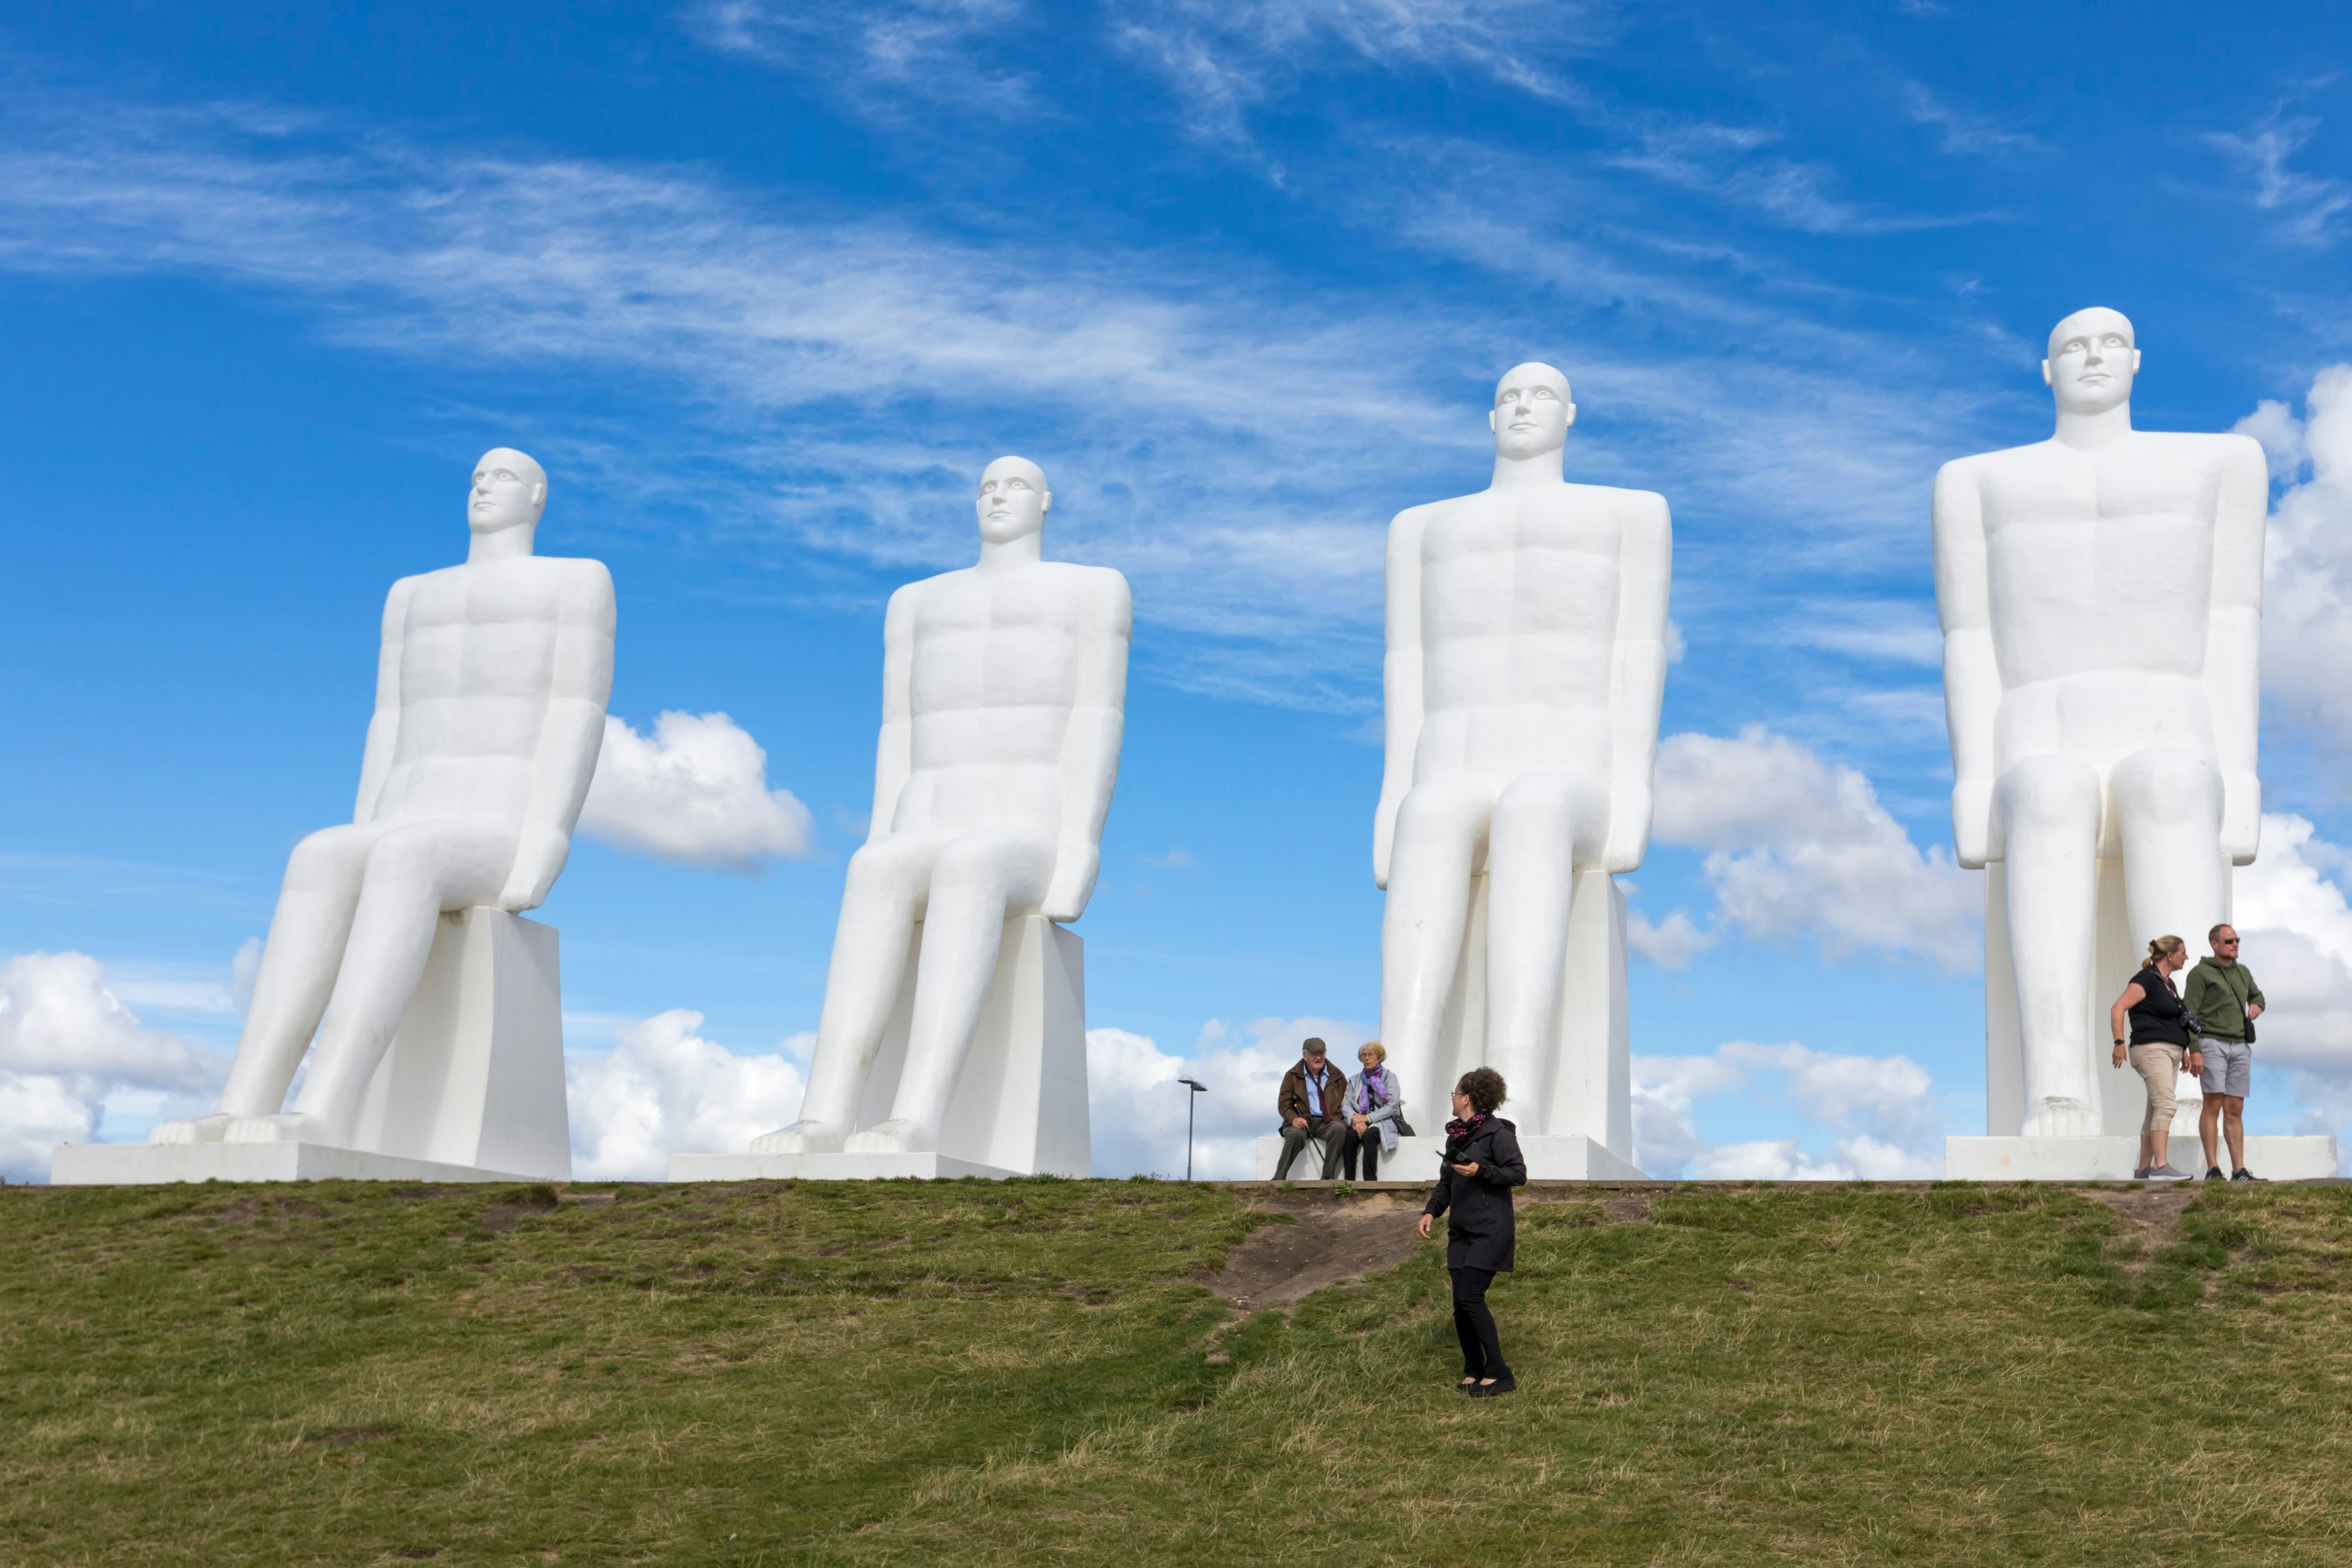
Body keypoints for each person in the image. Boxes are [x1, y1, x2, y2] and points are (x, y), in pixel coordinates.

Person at [151, 449, 616, 1150]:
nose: (485, 484)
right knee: (320, 853)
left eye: (505, 477)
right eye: (477, 476)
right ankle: (240, 1101)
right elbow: (388, 720)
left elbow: (578, 708)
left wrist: (548, 837)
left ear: (539, 497)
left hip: (494, 824)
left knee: (407, 855)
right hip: (405, 810)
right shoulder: (410, 595)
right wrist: (361, 825)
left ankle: (330, 1106)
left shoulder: (576, 582)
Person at [1935, 308, 2265, 1136]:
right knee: (2048, 792)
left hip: (2171, 712)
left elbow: (2233, 619)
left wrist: (2245, 769)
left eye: (2109, 343)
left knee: (2171, 785)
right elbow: (1967, 636)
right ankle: (2056, 1082)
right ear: (2047, 370)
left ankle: (2188, 1066)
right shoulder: (1977, 480)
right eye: (2072, 347)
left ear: (2137, 361)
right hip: (2039, 719)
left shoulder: (2218, 463)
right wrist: (1975, 780)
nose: (2091, 357)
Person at [752, 457, 1131, 1157]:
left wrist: (1081, 845)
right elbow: (895, 729)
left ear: (1045, 502)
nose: (996, 495)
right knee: (877, 868)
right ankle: (824, 1113)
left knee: (971, 864)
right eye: (986, 485)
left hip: (1027, 821)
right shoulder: (917, 601)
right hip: (928, 809)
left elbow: (1097, 715)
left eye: (1014, 485)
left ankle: (919, 1112)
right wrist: (878, 829)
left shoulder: (1092, 590)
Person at [1376, 363, 1671, 1130]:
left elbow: (1638, 652)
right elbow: (1404, 666)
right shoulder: (1420, 528)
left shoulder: (1628, 515)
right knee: (1433, 813)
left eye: (1540, 395)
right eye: (1509, 395)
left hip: (1571, 765)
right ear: (1488, 415)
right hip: (1455, 757)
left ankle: (1513, 1090)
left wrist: (1633, 791)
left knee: (1533, 808)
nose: (1522, 406)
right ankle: (1391, 1093)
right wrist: (1390, 800)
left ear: (1570, 414)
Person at [1416, 1066, 1527, 1396]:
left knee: (1470, 1297)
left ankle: (1499, 1373)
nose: (1452, 1097)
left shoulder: (1499, 1134)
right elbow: (1446, 1183)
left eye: (1455, 1093)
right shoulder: (1456, 1137)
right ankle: (1474, 1370)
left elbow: (1518, 1174)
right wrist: (1431, 1212)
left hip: (1491, 1230)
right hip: (1461, 1232)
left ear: (1466, 1098)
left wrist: (1482, 1170)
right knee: (1459, 1303)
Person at [2110, 936, 2202, 1180]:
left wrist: (2183, 1050)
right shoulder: (2146, 980)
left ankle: (2143, 1170)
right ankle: (2161, 1167)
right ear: (2170, 955)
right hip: (2152, 1049)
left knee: (2154, 1110)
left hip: (2169, 1050)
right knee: (2166, 1106)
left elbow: (2172, 1019)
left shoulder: (2167, 984)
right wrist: (2119, 1042)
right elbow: (2118, 1008)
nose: (2186, 957)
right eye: (2183, 952)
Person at [2185, 923, 2267, 1181]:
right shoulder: (2200, 973)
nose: (2235, 945)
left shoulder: (2243, 972)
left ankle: (2239, 1171)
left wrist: (2257, 1006)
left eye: (2237, 940)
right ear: (2215, 944)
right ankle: (2213, 1169)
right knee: (2212, 1105)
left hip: (2241, 1045)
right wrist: (2195, 1050)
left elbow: (2259, 996)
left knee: (2235, 1108)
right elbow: (2189, 1014)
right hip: (2212, 1043)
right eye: (2230, 941)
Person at [1273, 1038, 1347, 1180]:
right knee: (1295, 1135)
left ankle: (1327, 1178)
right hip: (1302, 1122)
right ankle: (1278, 1179)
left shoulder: (1337, 1075)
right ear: (1305, 1056)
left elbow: (1347, 1101)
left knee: (1339, 1129)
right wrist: (1294, 1119)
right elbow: (1284, 1105)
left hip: (1328, 1122)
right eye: (1314, 1054)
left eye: (1322, 1053)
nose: (1318, 1058)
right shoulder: (1292, 1076)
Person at [1341, 1040, 1406, 1181]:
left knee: (1369, 1136)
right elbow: (1346, 1104)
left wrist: (1368, 1119)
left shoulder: (1389, 1078)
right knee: (1350, 1137)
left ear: (1379, 1057)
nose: (1367, 1058)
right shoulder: (1355, 1080)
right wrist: (1355, 1119)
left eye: (1371, 1055)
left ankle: (1370, 1182)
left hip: (1383, 1121)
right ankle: (1349, 1181)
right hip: (1359, 1120)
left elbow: (1392, 1105)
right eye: (1364, 1055)